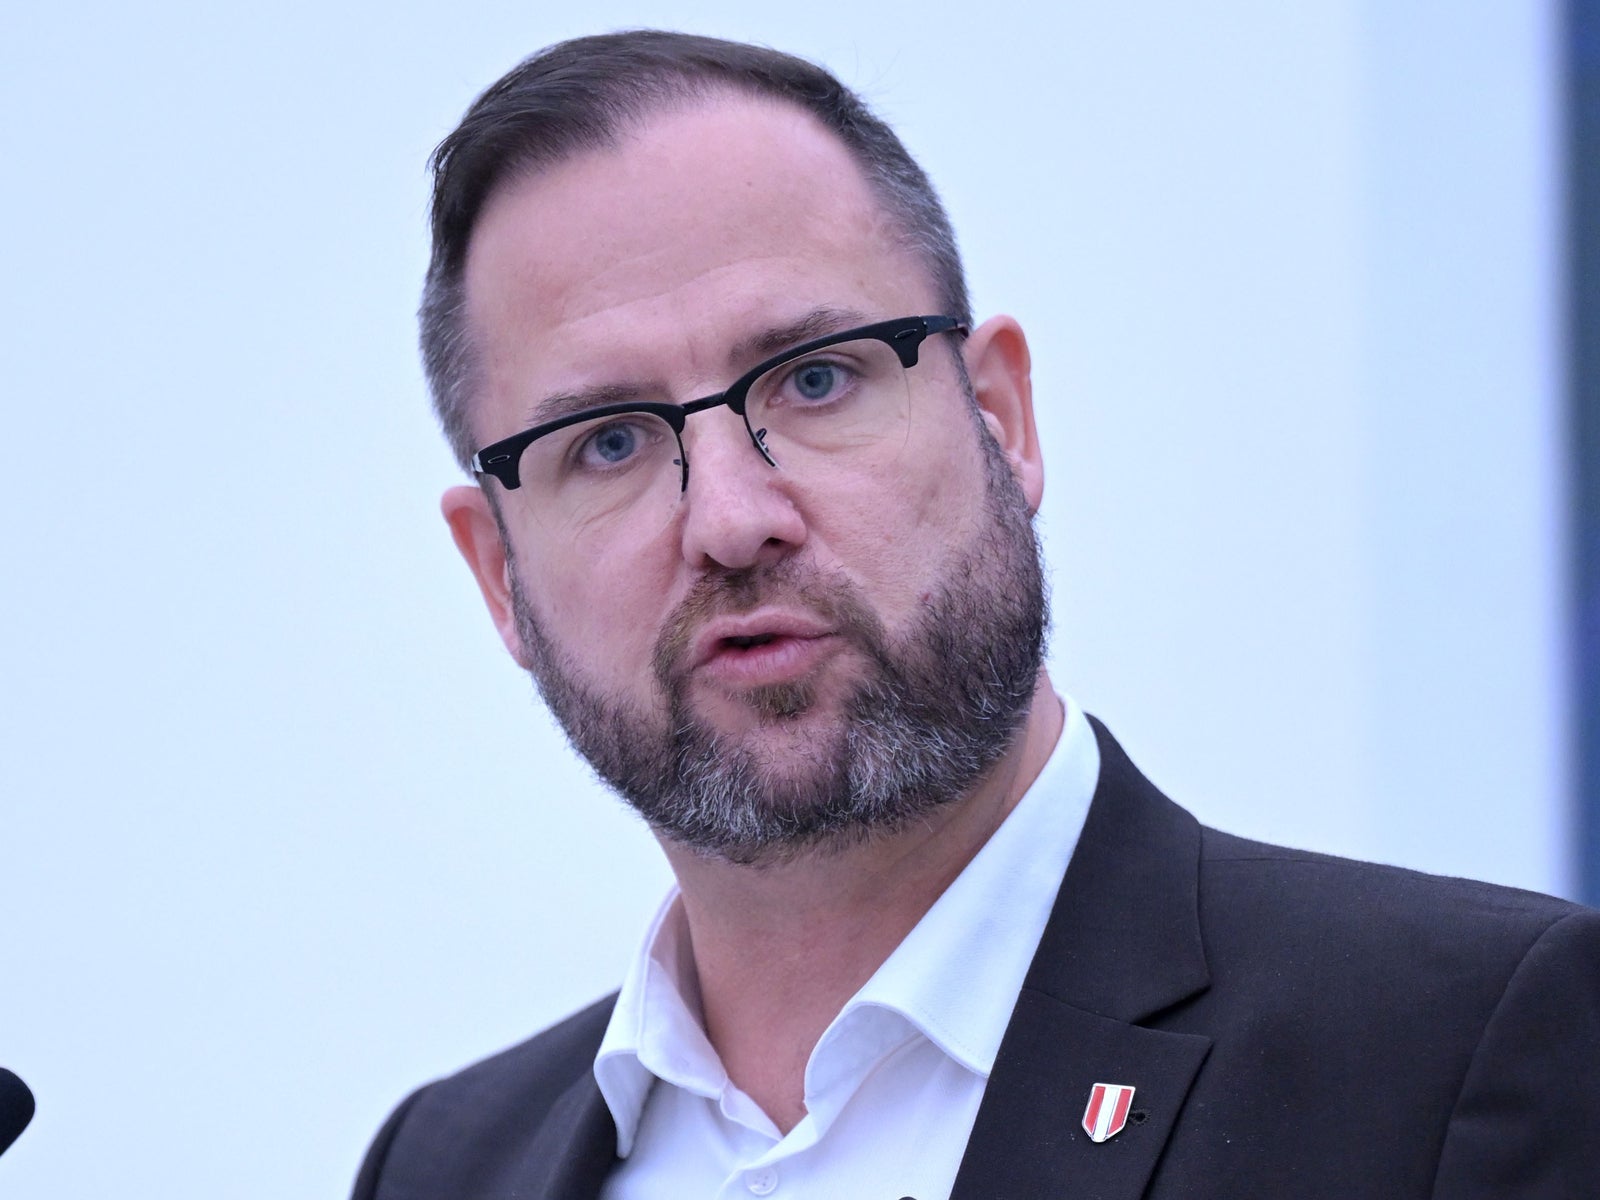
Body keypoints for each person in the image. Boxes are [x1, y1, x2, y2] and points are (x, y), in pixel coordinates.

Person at [353, 30, 1600, 1200]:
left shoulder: (1455, 1049)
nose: (731, 520)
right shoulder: (446, 1167)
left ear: (1001, 418)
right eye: (609, 442)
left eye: (815, 378)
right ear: (499, 576)